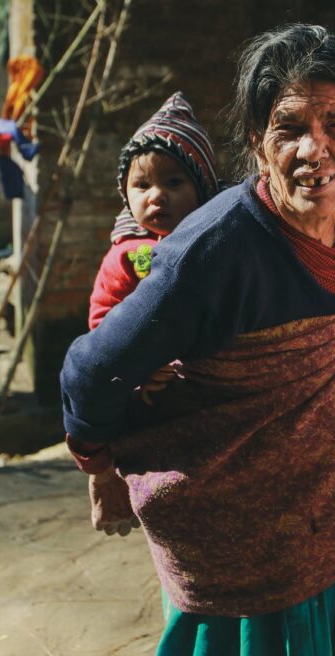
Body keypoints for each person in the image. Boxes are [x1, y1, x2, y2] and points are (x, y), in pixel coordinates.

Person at [61, 23, 335, 654]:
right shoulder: (210, 254)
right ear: (260, 148)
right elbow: (92, 372)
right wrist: (101, 465)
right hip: (231, 521)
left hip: (328, 507)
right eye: (289, 130)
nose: (315, 150)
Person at [84, 91, 221, 536]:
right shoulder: (126, 257)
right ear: (126, 193)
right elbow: (104, 328)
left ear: (202, 187)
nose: (156, 196)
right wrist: (140, 371)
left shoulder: (219, 247)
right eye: (142, 186)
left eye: (173, 183)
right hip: (150, 394)